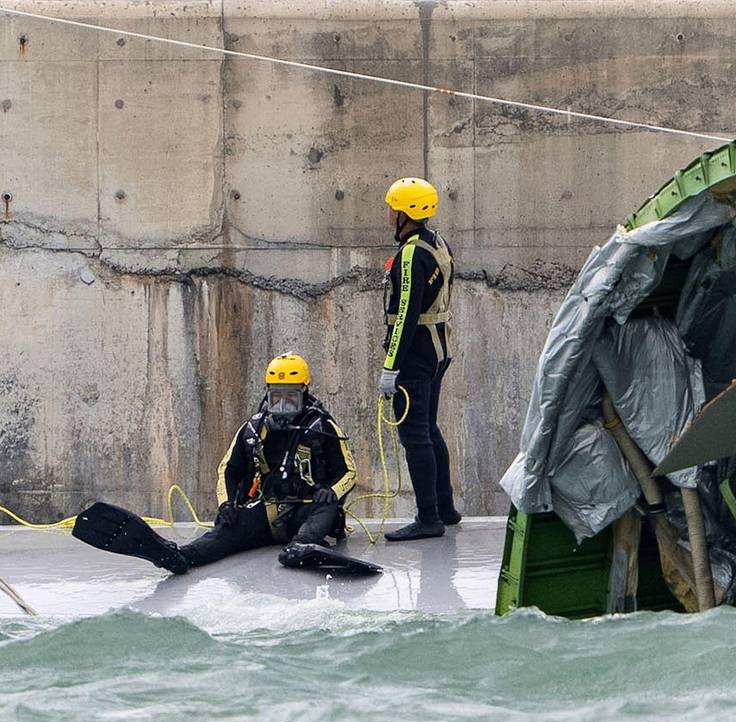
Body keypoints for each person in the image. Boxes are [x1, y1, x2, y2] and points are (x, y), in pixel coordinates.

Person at [72, 353, 376, 575]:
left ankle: (302, 548)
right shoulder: (254, 429)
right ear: (268, 394)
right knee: (225, 533)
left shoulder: (322, 427)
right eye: (276, 397)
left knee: (324, 509)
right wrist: (227, 504)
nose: (282, 406)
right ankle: (179, 555)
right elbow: (228, 470)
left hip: (308, 509)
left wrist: (332, 493)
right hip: (268, 512)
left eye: (291, 398)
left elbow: (349, 471)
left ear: (304, 393)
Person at [379, 177, 462, 541]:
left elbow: (407, 314)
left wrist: (390, 367)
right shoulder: (437, 243)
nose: (389, 214)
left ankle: (428, 518)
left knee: (415, 437)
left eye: (393, 209)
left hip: (416, 356)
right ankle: (445, 507)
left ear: (405, 214)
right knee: (429, 429)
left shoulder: (412, 254)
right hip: (438, 349)